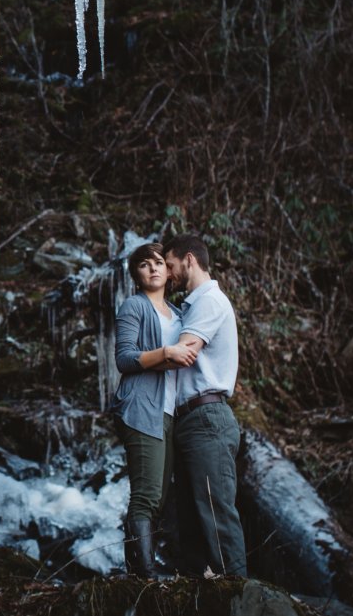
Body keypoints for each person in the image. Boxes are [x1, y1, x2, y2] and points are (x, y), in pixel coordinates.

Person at [112, 241, 198, 577]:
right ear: (135, 273)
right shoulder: (134, 306)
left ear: (168, 269)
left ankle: (140, 573)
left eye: (159, 262)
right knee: (146, 496)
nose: (154, 268)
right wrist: (167, 353)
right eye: (145, 264)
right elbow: (124, 359)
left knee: (160, 498)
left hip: (169, 413)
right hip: (141, 408)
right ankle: (144, 580)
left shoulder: (179, 314)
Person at [164, 233, 248, 577]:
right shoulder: (191, 305)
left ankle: (241, 596)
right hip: (189, 419)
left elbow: (183, 353)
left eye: (169, 266)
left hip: (206, 417)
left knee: (216, 513)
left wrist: (135, 359)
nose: (168, 274)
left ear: (189, 260)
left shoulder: (210, 301)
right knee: (189, 519)